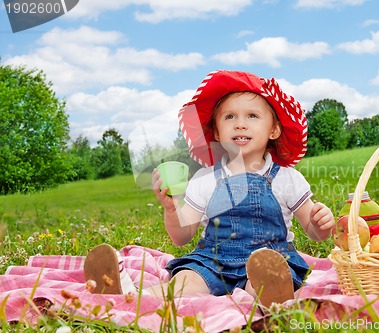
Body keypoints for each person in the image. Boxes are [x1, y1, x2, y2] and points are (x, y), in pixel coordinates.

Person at [84, 70, 335, 308]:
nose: (240, 124)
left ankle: (261, 299)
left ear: (274, 129)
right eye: (230, 117)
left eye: (252, 116)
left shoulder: (287, 178)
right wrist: (172, 210)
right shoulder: (205, 179)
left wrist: (320, 224)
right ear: (216, 132)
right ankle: (128, 295)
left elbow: (313, 232)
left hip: (268, 259)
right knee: (184, 282)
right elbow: (181, 237)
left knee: (266, 276)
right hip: (213, 261)